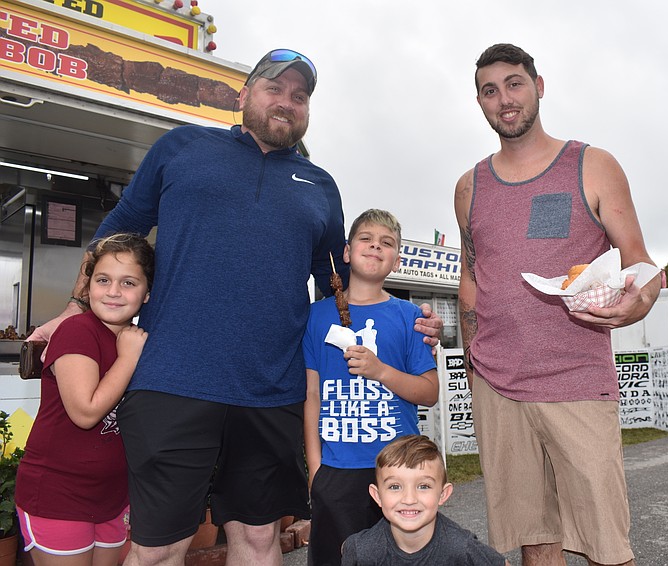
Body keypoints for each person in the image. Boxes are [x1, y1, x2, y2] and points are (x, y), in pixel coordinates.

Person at [30, 49, 442, 566]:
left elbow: (337, 286)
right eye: (274, 89)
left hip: (270, 392)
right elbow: (122, 226)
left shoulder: (320, 186)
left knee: (259, 539)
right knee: (158, 549)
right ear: (243, 95)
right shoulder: (181, 147)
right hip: (171, 381)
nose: (286, 102)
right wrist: (74, 305)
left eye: (300, 96)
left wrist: (409, 324)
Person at [453, 44, 661, 566]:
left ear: (539, 86)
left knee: (605, 543)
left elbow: (639, 262)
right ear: (479, 102)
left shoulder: (591, 165)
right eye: (489, 90)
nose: (504, 99)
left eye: (514, 83)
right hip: (499, 386)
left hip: (576, 379)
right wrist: (472, 362)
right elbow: (471, 280)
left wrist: (635, 305)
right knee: (534, 538)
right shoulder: (468, 187)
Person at [303, 209, 440, 566]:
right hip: (336, 468)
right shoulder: (316, 316)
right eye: (366, 239)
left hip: (399, 468)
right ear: (346, 252)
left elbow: (429, 392)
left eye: (387, 243)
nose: (375, 246)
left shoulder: (410, 317)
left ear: (395, 260)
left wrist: (380, 371)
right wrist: (316, 469)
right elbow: (312, 395)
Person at [16, 233, 153, 566]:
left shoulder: (135, 338)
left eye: (129, 282)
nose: (113, 291)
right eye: (103, 279)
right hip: (57, 495)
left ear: (148, 293)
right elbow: (86, 412)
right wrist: (128, 359)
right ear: (87, 284)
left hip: (112, 497)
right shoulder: (78, 330)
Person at [340, 435, 508, 566]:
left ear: (443, 494)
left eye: (423, 486)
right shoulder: (362, 550)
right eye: (395, 487)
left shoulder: (461, 547)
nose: (409, 499)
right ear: (377, 496)